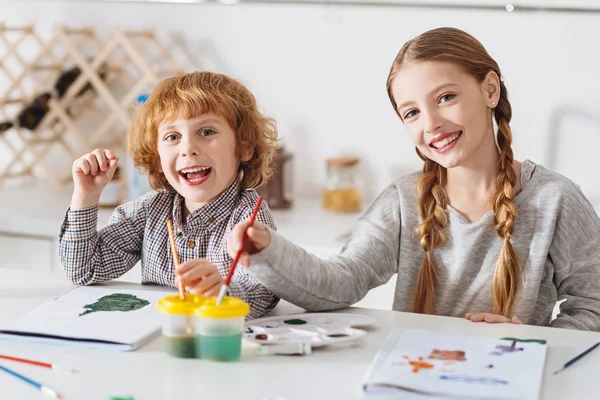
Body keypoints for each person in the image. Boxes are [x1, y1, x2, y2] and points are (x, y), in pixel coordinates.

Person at [227, 27, 600, 330]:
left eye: (446, 97)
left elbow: (592, 307)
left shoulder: (556, 199)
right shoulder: (403, 202)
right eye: (411, 113)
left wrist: (530, 341)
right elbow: (342, 281)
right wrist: (267, 250)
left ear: (490, 89)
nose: (431, 124)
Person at [59, 71, 280, 319]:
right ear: (158, 157)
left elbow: (264, 290)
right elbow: (83, 270)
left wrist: (224, 295)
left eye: (207, 132)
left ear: (244, 147)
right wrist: (85, 197)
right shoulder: (149, 210)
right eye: (172, 137)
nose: (188, 149)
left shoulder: (250, 217)